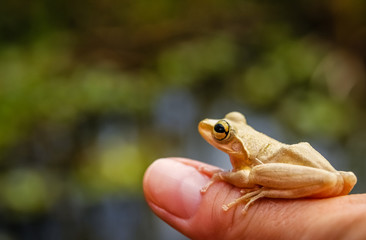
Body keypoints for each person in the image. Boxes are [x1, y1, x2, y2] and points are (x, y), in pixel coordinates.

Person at [143, 158, 366, 239]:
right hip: (329, 174)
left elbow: (245, 177)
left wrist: (222, 176)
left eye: (221, 131)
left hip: (299, 175)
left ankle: (267, 191)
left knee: (256, 175)